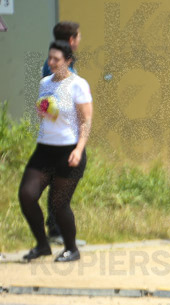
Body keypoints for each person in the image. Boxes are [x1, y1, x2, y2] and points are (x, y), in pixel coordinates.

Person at [19, 40, 92, 263]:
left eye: (56, 59)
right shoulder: (45, 83)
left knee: (59, 204)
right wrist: (43, 110)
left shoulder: (78, 85)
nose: (50, 62)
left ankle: (71, 249)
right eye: (49, 58)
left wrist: (79, 149)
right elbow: (46, 111)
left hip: (68, 151)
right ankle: (43, 245)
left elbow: (85, 120)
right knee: (27, 195)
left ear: (68, 61)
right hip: (44, 150)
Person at [41, 21, 82, 246]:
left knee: (59, 182)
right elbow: (52, 100)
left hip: (64, 133)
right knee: (59, 182)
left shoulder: (61, 63)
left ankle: (56, 229)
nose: (80, 40)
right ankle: (56, 230)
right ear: (71, 40)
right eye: (78, 36)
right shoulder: (56, 66)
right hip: (60, 135)